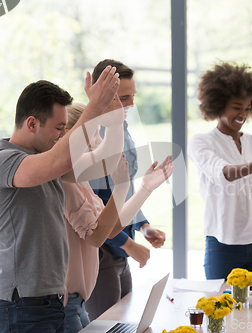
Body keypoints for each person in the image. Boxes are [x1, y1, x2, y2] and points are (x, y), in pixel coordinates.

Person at [0, 66, 121, 333]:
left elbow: (105, 162)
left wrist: (113, 123)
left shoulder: (49, 165)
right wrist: (95, 105)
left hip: (50, 303)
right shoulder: (0, 162)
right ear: (32, 123)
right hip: (20, 305)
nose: (62, 134)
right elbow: (60, 160)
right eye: (59, 127)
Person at [62, 102, 173, 332]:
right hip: (66, 301)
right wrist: (122, 186)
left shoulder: (80, 181)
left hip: (77, 300)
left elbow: (110, 225)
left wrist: (145, 188)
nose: (100, 145)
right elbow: (99, 235)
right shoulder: (67, 183)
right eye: (94, 139)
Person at [187, 61, 252, 282]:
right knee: (224, 311)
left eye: (247, 108)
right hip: (223, 244)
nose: (242, 114)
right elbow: (222, 173)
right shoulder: (201, 142)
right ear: (218, 104)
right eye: (236, 106)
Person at [85, 59, 167, 320]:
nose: (131, 103)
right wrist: (128, 244)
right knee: (107, 325)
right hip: (102, 251)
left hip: (120, 250)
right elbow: (97, 204)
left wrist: (143, 227)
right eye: (124, 97)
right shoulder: (92, 138)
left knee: (126, 323)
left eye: (133, 96)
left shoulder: (124, 131)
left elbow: (123, 190)